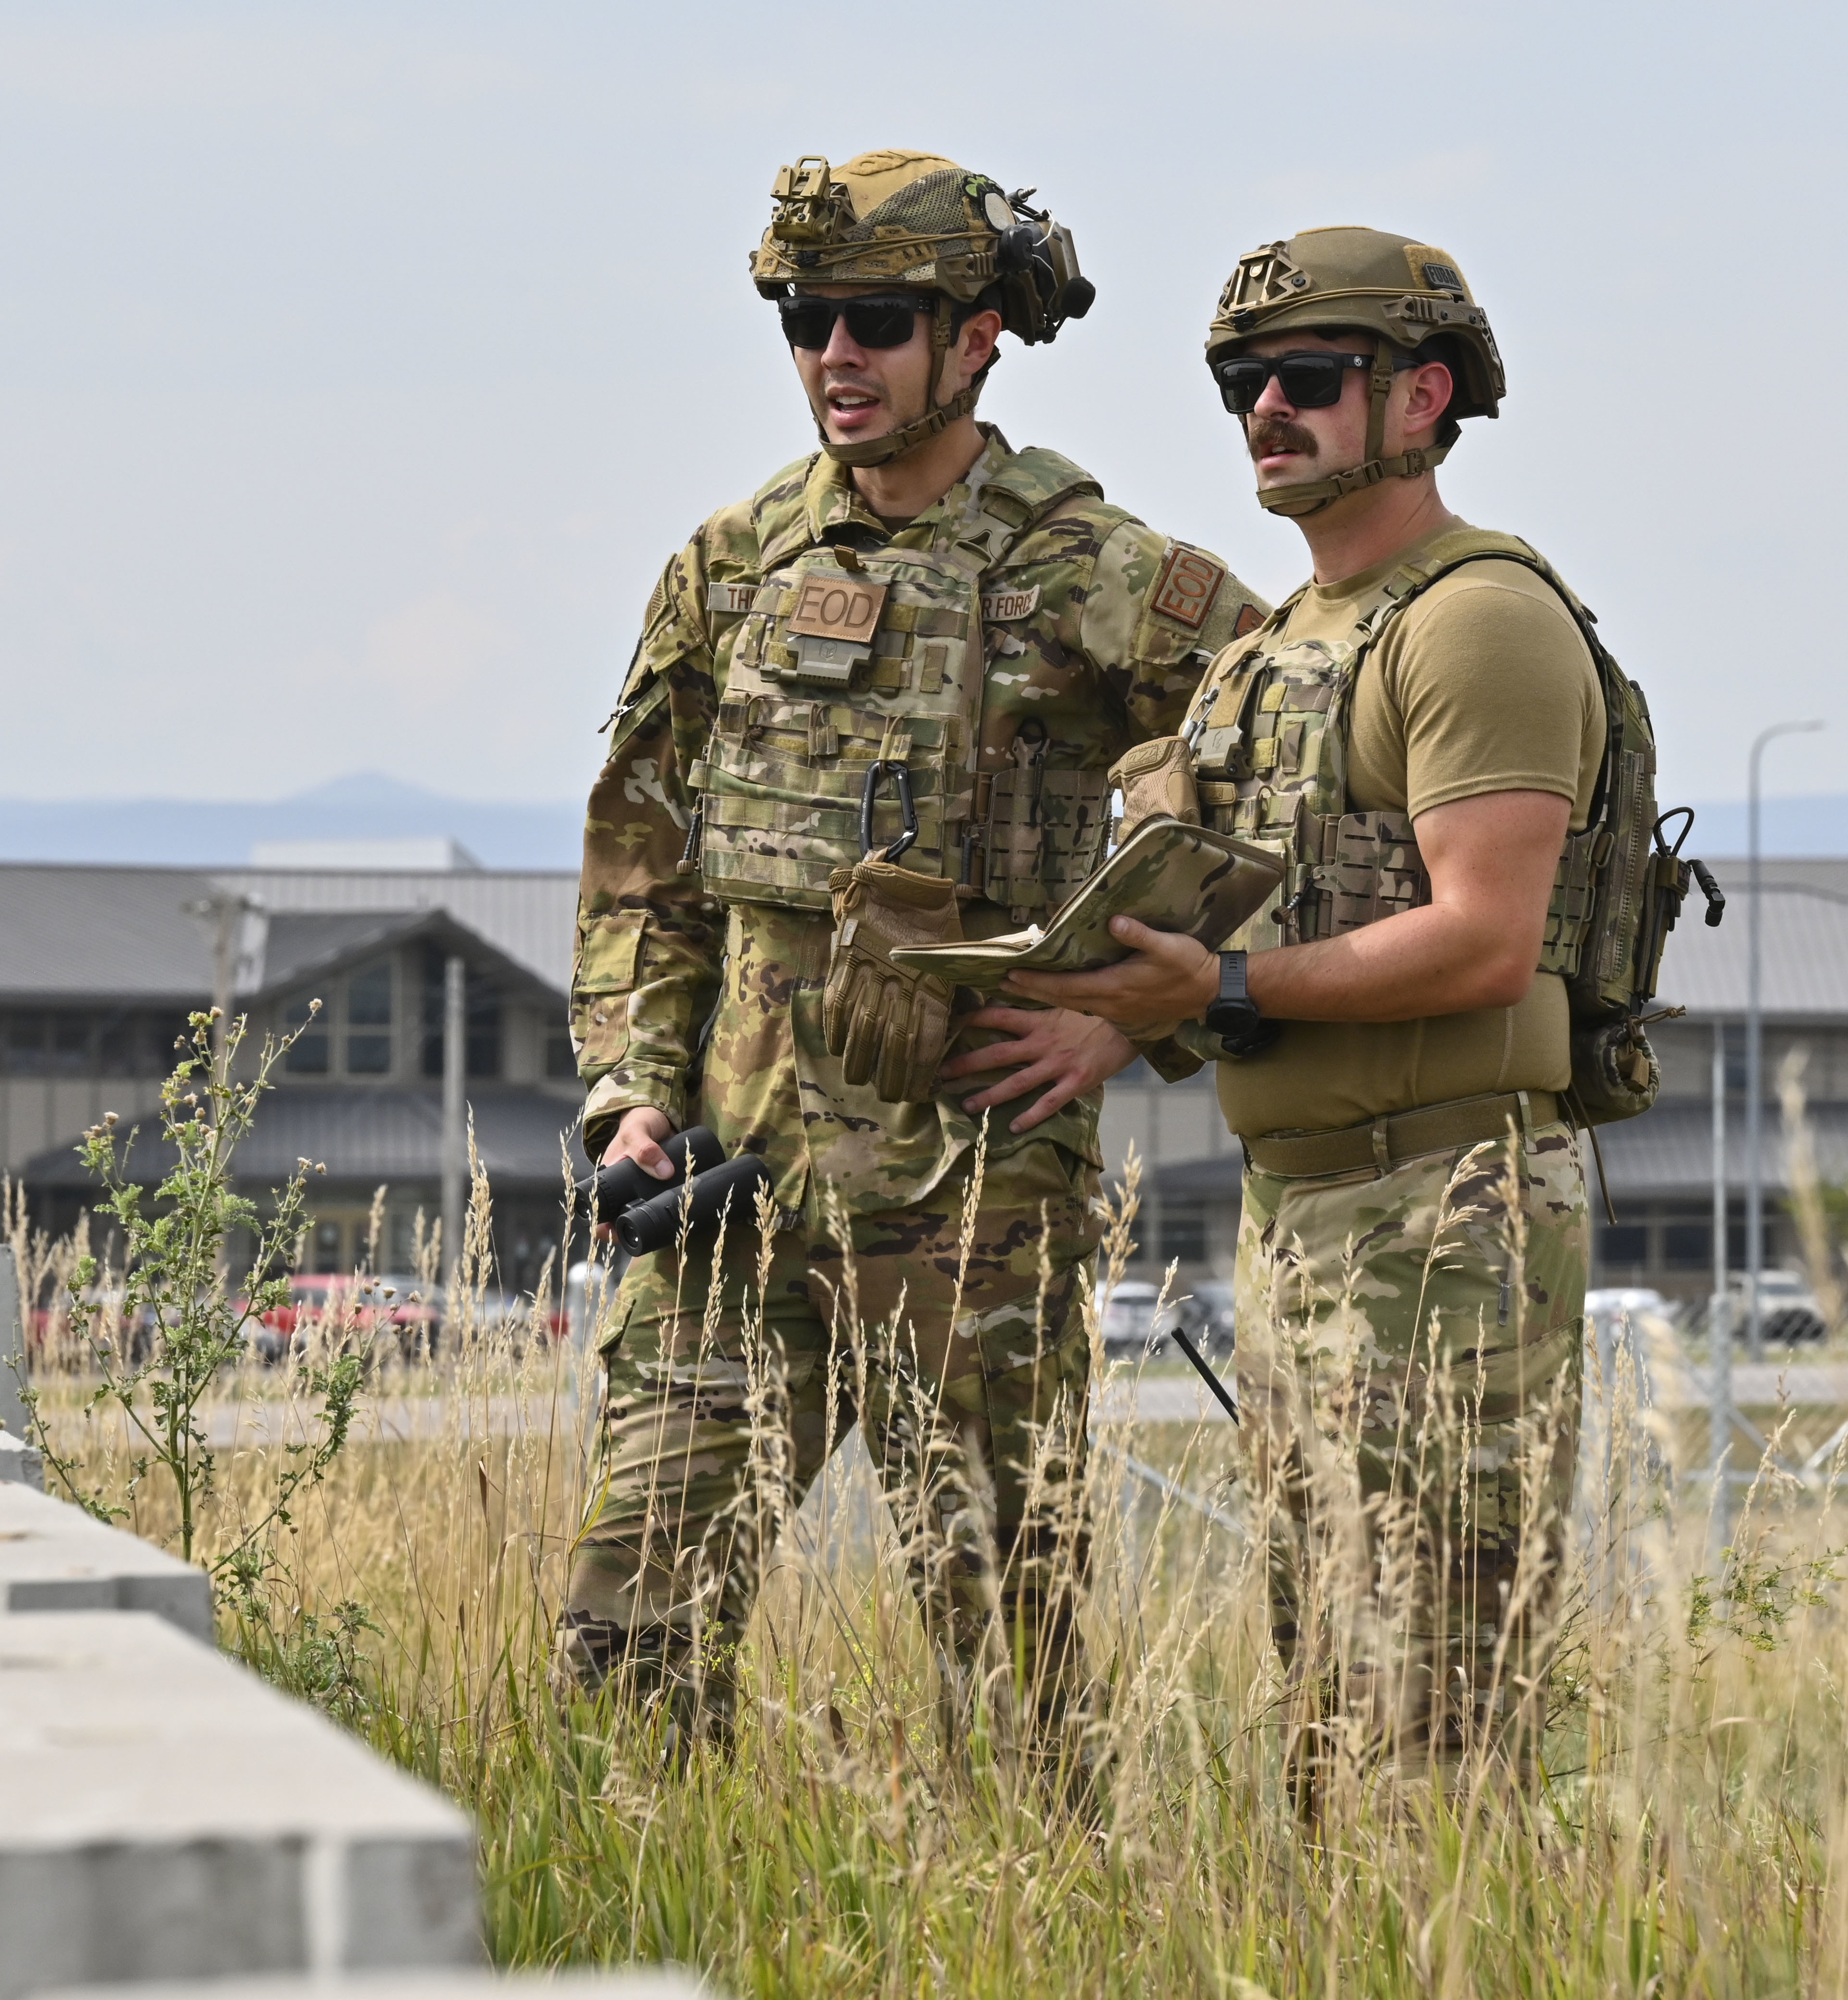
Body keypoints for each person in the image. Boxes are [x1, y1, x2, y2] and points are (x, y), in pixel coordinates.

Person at [560, 149, 1265, 1766]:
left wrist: (1130, 1020)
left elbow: (1288, 766)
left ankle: (1048, 1921)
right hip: (732, 1194)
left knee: (1007, 1647)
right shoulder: (732, 566)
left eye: (878, 319)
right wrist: (631, 1098)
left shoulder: (1082, 568)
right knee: (626, 1631)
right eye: (805, 319)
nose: (834, 357)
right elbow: (646, 865)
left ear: (977, 342)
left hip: (970, 1209)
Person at [1009, 227, 1623, 1776]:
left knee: (1436, 1691)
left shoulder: (1473, 619)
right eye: (1240, 382)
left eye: (1306, 378)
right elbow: (1233, 903)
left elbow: (1487, 941)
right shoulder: (1276, 648)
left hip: (1442, 1206)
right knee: (1332, 1684)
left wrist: (1215, 984)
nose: (1263, 409)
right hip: (1306, 1213)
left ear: (1421, 399)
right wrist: (1115, 1007)